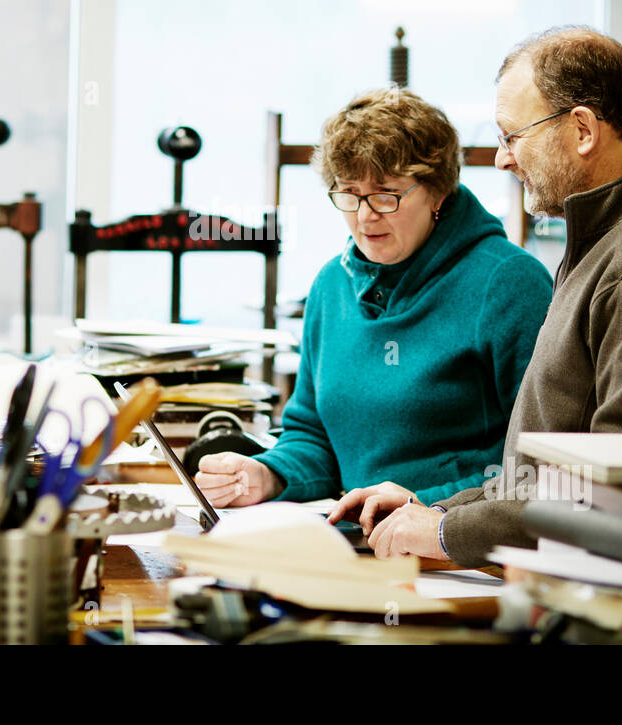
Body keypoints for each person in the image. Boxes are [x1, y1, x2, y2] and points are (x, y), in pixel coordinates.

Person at [329, 27, 622, 564]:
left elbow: (621, 497)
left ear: (583, 130)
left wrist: (446, 534)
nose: (503, 160)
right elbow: (546, 476)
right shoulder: (605, 243)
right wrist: (436, 512)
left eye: (512, 137)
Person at [193, 87, 552, 508]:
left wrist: (424, 503)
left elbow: (541, 466)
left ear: (437, 191)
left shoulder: (508, 282)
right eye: (348, 193)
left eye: (385, 195)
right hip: (357, 538)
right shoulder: (331, 285)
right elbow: (312, 435)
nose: (364, 216)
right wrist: (269, 474)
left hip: (462, 550)